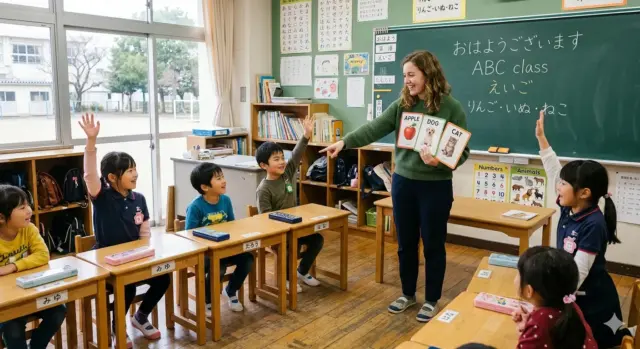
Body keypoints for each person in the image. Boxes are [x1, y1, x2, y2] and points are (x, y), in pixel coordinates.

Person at [321, 50, 469, 322]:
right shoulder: (403, 104)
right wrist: (345, 142)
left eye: (412, 75)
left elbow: (462, 152)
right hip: (403, 184)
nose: (407, 81)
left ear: (428, 73)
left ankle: (432, 299)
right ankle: (408, 294)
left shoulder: (452, 108)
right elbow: (375, 127)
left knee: (433, 245)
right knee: (405, 244)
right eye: (405, 76)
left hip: (435, 187)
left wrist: (438, 161)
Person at [535, 109, 636, 347]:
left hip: (592, 299)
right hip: (573, 292)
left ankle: (626, 336)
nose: (558, 187)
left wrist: (552, 298)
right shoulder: (569, 207)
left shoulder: (593, 223)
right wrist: (542, 139)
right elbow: (553, 171)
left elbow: (579, 271)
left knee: (597, 338)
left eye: (564, 184)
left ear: (584, 193)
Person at [80, 113, 169, 346]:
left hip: (135, 257)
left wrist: (146, 251)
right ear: (112, 177)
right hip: (107, 260)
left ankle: (140, 317)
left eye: (134, 169)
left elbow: (145, 231)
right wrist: (91, 143)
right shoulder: (101, 196)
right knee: (126, 288)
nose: (135, 174)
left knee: (163, 277)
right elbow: (89, 174)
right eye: (129, 171)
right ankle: (117, 327)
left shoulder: (138, 197)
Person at [255, 115, 321, 293]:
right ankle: (285, 279)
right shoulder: (263, 189)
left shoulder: (287, 173)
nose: (282, 162)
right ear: (264, 165)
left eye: (281, 157)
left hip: (296, 227)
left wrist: (306, 135)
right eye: (275, 159)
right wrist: (283, 229)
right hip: (277, 234)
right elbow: (265, 219)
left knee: (317, 239)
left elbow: (297, 153)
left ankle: (302, 271)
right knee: (289, 247)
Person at [0, 185, 67, 349]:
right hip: (6, 304)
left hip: (30, 293)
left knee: (59, 310)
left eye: (28, 205)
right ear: (1, 217)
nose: (29, 210)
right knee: (13, 330)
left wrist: (13, 266)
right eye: (22, 208)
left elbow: (43, 255)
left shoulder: (28, 229)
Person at [186, 162, 254, 312]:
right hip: (206, 252)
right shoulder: (195, 206)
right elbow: (189, 235)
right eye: (218, 178)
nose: (224, 180)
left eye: (222, 176)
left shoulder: (226, 200)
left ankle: (230, 290)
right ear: (205, 187)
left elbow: (231, 225)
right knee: (218, 268)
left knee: (248, 259)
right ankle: (208, 300)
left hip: (225, 247)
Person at [512, 246, 596, 349]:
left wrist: (531, 330)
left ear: (529, 291)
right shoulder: (570, 306)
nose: (515, 278)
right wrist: (527, 328)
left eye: (518, 273)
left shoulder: (541, 323)